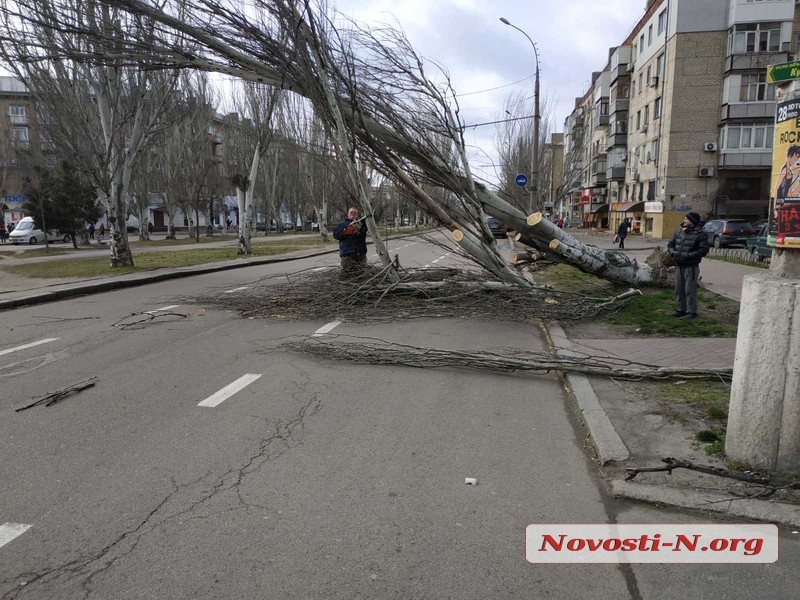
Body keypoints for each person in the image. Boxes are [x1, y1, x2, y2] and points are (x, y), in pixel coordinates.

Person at [667, 212, 710, 321]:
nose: (684, 220)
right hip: (679, 266)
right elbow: (670, 244)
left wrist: (688, 256)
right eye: (685, 218)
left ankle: (692, 312)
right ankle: (681, 310)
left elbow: (703, 250)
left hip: (691, 267)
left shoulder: (700, 234)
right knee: (679, 289)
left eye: (687, 219)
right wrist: (673, 253)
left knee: (690, 290)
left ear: (693, 221)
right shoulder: (679, 232)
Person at [333, 207, 368, 279]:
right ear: (348, 214)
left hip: (360, 253)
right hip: (347, 254)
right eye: (351, 212)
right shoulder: (342, 224)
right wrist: (346, 230)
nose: (353, 214)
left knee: (361, 274)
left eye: (355, 213)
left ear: (357, 215)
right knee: (346, 275)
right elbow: (335, 235)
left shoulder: (363, 224)